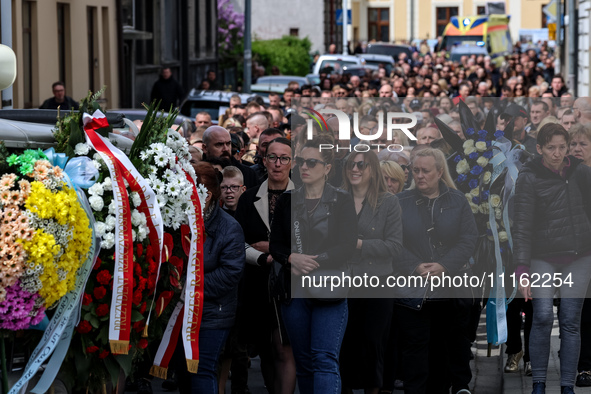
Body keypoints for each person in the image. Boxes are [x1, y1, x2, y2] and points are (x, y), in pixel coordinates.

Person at [269, 134, 357, 393]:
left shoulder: (341, 200)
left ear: (328, 168)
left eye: (312, 162)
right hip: (294, 290)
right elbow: (276, 244)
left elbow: (347, 245)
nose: (304, 167)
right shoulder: (287, 199)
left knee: (324, 360)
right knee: (305, 362)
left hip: (329, 287)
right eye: (300, 161)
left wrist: (316, 261)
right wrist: (291, 258)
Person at [514, 123, 591, 394]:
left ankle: (567, 385)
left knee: (571, 320)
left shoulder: (581, 173)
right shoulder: (529, 176)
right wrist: (522, 269)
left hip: (579, 256)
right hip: (542, 256)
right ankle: (538, 382)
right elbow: (521, 225)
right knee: (543, 316)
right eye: (551, 148)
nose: (557, 153)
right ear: (539, 149)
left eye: (562, 147)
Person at [393, 147, 478, 394]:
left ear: (439, 172)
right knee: (415, 349)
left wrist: (444, 265)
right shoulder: (400, 202)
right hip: (412, 288)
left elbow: (468, 238)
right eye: (415, 170)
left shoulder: (457, 200)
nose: (419, 175)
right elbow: (393, 240)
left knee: (444, 348)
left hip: (449, 287)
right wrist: (414, 266)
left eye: (426, 171)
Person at [176, 162, 245, 394]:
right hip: (181, 311)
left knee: (203, 369)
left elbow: (230, 273)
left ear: (211, 195)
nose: (192, 196)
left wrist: (191, 286)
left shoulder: (229, 227)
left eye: (198, 191)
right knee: (185, 373)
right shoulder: (179, 221)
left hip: (213, 313)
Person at [235, 137, 296, 394]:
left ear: (292, 162)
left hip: (292, 282)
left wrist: (275, 250)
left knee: (284, 348)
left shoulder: (306, 198)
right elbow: (238, 242)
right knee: (266, 349)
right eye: (272, 157)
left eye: (284, 158)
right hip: (258, 282)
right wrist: (261, 257)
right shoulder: (248, 199)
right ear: (263, 160)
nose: (278, 164)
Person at [340, 151, 403, 394]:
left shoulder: (388, 202)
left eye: (361, 165)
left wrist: (357, 244)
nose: (354, 169)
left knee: (374, 344)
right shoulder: (337, 199)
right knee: (345, 343)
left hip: (378, 283)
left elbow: (395, 247)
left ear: (372, 169)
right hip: (343, 281)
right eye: (350, 165)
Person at [568, 123, 591, 388]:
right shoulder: (566, 177)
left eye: (582, 144)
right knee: (581, 312)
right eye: (572, 144)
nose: (576, 149)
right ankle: (584, 367)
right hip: (575, 254)